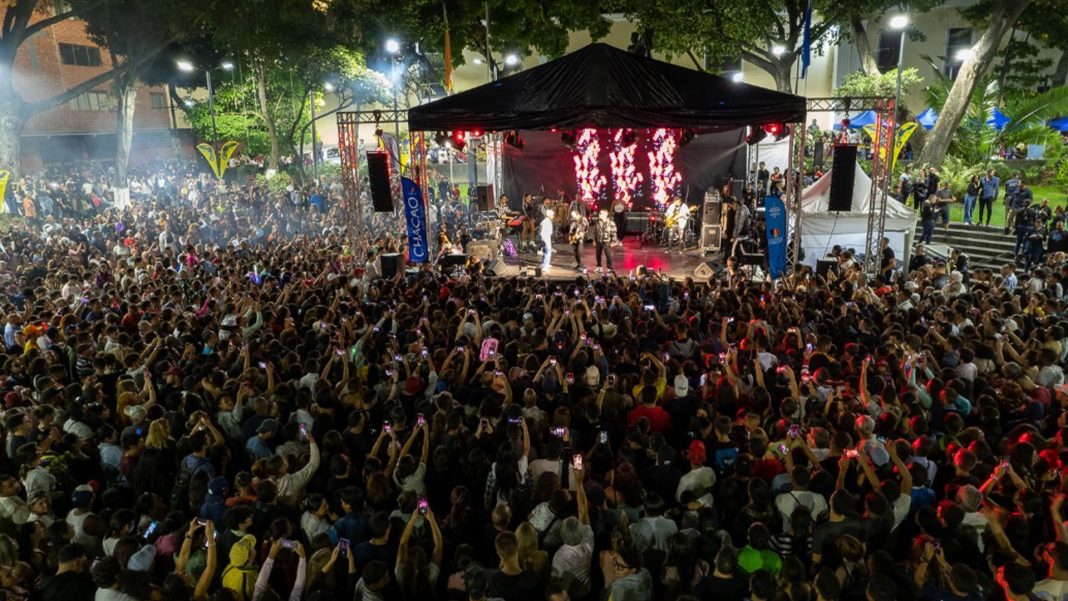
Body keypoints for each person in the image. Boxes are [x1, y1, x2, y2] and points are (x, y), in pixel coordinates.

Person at [593, 209, 618, 274]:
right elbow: (595, 231)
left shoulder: (610, 222)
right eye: (600, 213)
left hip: (606, 241)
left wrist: (613, 242)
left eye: (601, 213)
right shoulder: (598, 222)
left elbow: (614, 233)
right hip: (599, 240)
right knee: (598, 254)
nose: (599, 214)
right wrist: (594, 240)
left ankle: (609, 268)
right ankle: (599, 267)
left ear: (605, 214)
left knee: (608, 255)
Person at [540, 208, 555, 273]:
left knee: (545, 252)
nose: (553, 216)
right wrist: (545, 241)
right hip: (545, 240)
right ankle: (545, 266)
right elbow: (542, 232)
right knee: (547, 252)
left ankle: (544, 263)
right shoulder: (546, 222)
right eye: (552, 215)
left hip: (546, 239)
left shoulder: (547, 221)